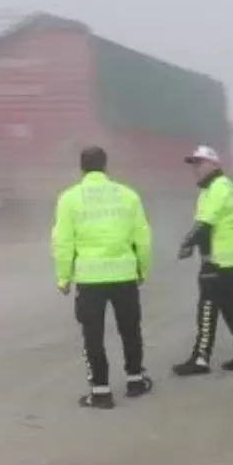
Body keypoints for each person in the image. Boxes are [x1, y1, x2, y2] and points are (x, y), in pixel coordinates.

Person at [52, 146, 154, 409]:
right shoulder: (128, 195)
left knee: (93, 335)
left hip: (90, 279)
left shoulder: (69, 198)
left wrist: (63, 278)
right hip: (124, 276)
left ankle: (100, 392)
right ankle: (135, 380)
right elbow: (142, 237)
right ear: (106, 167)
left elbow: (63, 242)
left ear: (81, 168)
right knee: (130, 330)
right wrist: (143, 269)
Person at [172, 145, 233, 376]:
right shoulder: (219, 188)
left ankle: (200, 359)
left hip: (217, 261)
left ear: (214, 165)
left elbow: (205, 225)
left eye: (200, 163)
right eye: (194, 164)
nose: (196, 169)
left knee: (207, 308)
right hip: (229, 260)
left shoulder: (219, 188)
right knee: (231, 309)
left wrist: (186, 243)